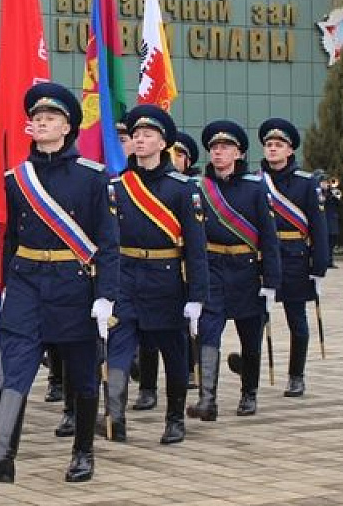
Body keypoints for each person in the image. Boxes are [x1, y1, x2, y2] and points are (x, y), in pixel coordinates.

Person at [0, 82, 119, 484]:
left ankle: (83, 453)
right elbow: (11, 240)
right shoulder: (17, 179)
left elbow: (108, 242)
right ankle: (1, 455)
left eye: (51, 118)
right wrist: (1, 288)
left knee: (84, 373)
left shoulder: (93, 177)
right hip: (27, 285)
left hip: (73, 287)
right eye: (36, 118)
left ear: (68, 127)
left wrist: (106, 296)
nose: (42, 122)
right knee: (15, 368)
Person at [102, 105, 207, 444]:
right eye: (136, 135)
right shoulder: (117, 186)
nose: (140, 140)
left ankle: (175, 418)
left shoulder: (183, 189)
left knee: (173, 352)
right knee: (117, 349)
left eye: (148, 135)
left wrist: (196, 297)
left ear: (164, 143)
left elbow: (195, 248)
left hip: (165, 281)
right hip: (125, 276)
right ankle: (114, 417)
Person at [186, 121, 281, 421]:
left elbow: (269, 237)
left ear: (239, 153)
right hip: (212, 269)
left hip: (246, 272)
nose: (218, 153)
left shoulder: (255, 188)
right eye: (214, 148)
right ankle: (207, 399)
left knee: (249, 337)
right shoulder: (200, 187)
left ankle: (248, 393)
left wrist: (271, 281)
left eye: (225, 148)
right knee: (207, 333)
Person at [255, 118, 329, 398]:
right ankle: (249, 366)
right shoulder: (256, 182)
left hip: (295, 258)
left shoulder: (306, 183)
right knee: (254, 318)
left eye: (279, 145)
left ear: (290, 151)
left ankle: (296, 375)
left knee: (296, 320)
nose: (272, 149)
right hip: (263, 259)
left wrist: (318, 267)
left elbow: (318, 228)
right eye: (269, 145)